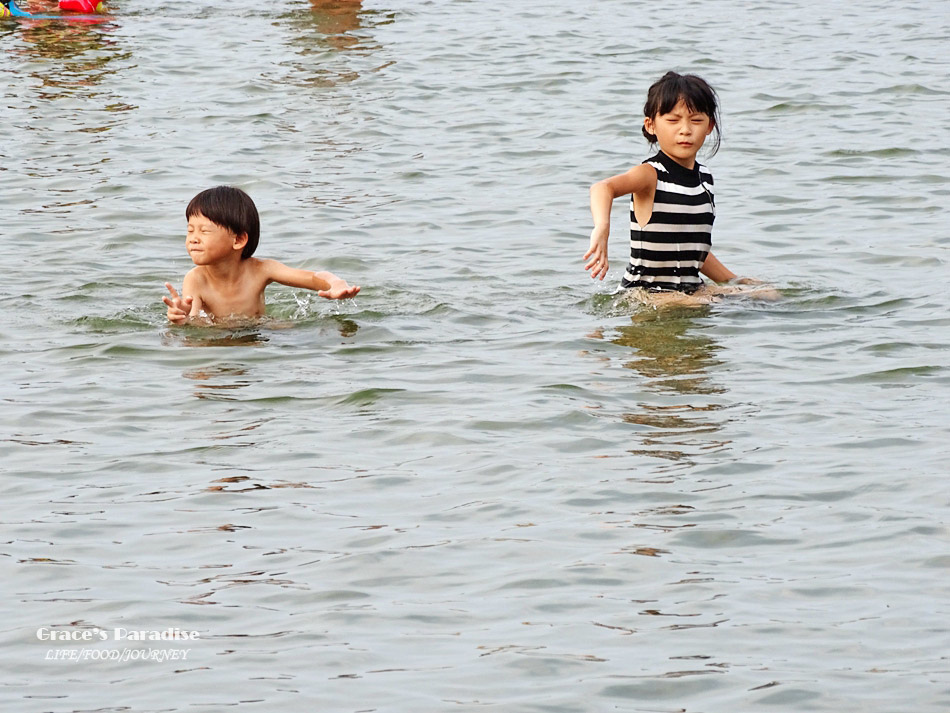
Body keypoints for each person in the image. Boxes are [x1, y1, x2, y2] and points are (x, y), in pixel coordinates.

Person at [585, 71, 766, 303]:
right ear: (651, 125)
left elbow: (691, 249)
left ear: (709, 126)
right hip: (644, 295)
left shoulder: (705, 179)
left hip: (689, 291)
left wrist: (734, 281)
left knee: (767, 295)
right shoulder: (649, 174)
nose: (685, 130)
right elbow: (602, 188)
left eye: (696, 120)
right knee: (710, 304)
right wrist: (602, 227)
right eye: (673, 120)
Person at [163, 186, 360, 324]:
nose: (193, 239)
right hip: (220, 340)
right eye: (190, 230)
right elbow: (196, 325)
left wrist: (336, 284)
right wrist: (183, 318)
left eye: (204, 231)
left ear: (238, 240)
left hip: (261, 333)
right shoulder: (196, 279)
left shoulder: (261, 270)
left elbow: (312, 277)